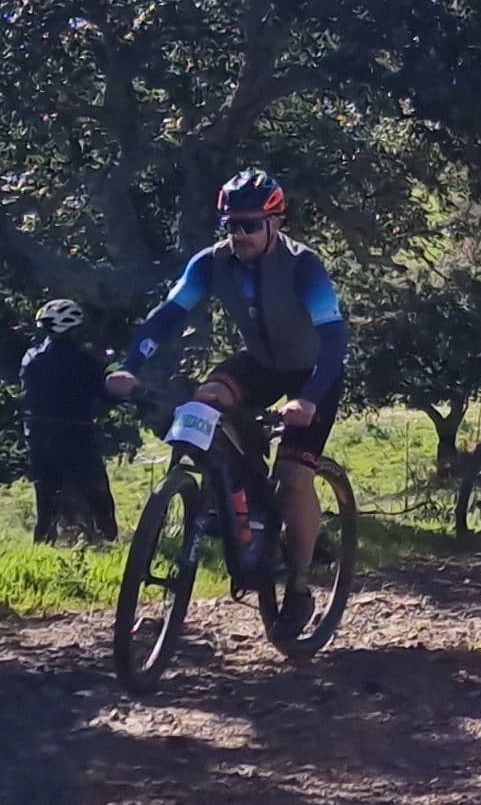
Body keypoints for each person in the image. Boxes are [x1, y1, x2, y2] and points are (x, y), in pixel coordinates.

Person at [106, 169, 347, 636]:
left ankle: (298, 585)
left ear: (275, 223)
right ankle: (235, 499)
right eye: (231, 225)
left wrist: (310, 400)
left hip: (312, 371)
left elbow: (335, 342)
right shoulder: (211, 263)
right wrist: (129, 366)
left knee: (295, 478)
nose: (240, 234)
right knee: (207, 400)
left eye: (250, 225)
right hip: (259, 363)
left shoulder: (303, 266)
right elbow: (167, 316)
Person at [20, 299, 118, 544]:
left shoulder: (30, 359)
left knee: (46, 504)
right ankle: (110, 539)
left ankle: (40, 550)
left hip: (39, 437)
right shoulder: (82, 361)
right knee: (99, 495)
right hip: (76, 436)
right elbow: (104, 395)